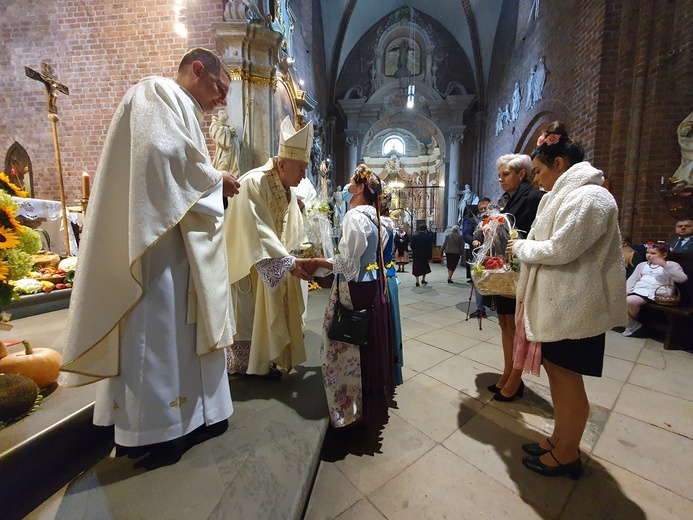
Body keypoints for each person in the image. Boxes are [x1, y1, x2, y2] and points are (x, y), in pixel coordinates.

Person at [59, 48, 240, 469]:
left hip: (180, 245)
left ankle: (195, 419)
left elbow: (178, 165)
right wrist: (216, 181)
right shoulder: (155, 92)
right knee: (157, 336)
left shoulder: (183, 107)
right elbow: (161, 157)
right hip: (157, 248)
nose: (222, 100)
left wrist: (211, 185)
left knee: (181, 333)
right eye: (220, 88)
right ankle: (156, 431)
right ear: (198, 70)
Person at [508, 121, 627, 479]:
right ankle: (559, 439)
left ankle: (568, 454)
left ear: (559, 164)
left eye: (540, 171)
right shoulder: (565, 195)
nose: (537, 178)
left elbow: (562, 249)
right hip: (558, 306)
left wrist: (522, 247)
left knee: (568, 380)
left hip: (575, 307)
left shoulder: (591, 197)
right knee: (557, 377)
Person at [224, 116, 315, 380]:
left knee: (270, 312)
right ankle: (249, 366)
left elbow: (287, 225)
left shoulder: (286, 185)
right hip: (248, 262)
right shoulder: (256, 181)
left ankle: (267, 361)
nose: (303, 176)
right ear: (283, 163)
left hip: (271, 259)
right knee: (249, 314)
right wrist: (289, 262)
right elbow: (259, 229)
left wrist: (294, 252)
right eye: (300, 169)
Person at [311, 164, 394, 427]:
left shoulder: (355, 217)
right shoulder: (379, 219)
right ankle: (365, 406)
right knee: (364, 346)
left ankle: (348, 412)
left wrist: (316, 262)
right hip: (370, 288)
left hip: (353, 288)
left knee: (346, 347)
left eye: (351, 183)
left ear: (359, 188)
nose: (347, 186)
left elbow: (348, 265)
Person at [487, 154, 545, 402]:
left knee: (515, 326)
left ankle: (515, 379)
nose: (500, 179)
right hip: (504, 270)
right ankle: (507, 371)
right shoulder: (506, 200)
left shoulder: (535, 198)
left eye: (506, 174)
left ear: (522, 174)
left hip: (520, 269)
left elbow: (540, 232)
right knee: (504, 322)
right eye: (499, 175)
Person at [624, 241, 688, 336]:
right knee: (619, 298)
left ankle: (632, 323)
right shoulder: (642, 265)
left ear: (664, 254)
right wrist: (627, 290)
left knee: (630, 301)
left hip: (658, 293)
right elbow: (633, 279)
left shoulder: (671, 265)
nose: (649, 255)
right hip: (640, 290)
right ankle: (632, 323)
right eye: (647, 253)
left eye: (653, 253)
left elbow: (682, 278)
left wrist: (664, 265)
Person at [380, 193, 404, 385]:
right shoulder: (388, 222)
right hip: (389, 273)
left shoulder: (381, 224)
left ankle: (385, 372)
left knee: (384, 325)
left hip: (383, 277)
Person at [464, 197, 491, 317]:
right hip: (478, 255)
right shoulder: (473, 220)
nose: (483, 210)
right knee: (478, 281)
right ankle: (481, 308)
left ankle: (495, 304)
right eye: (481, 209)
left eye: (486, 208)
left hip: (494, 255)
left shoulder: (497, 219)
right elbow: (466, 234)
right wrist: (473, 240)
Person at [209, 109, 240, 177]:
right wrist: (229, 131)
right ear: (221, 115)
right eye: (226, 115)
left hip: (231, 150)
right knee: (223, 164)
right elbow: (218, 137)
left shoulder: (227, 126)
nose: (228, 116)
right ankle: (220, 180)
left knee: (231, 165)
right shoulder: (215, 125)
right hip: (224, 150)